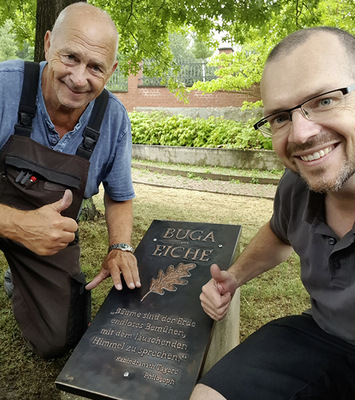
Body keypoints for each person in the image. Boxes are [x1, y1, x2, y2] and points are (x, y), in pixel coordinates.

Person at [190, 26, 355, 400]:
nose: (300, 134)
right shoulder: (298, 184)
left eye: (324, 100)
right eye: (281, 116)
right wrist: (233, 277)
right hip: (323, 338)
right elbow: (281, 233)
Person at [0, 2, 141, 359]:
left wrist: (119, 246)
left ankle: (19, 278)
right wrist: (16, 224)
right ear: (48, 44)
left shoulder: (114, 119)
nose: (80, 78)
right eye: (70, 58)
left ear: (112, 71)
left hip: (48, 240)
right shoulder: (4, 86)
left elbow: (120, 195)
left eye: (95, 66)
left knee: (60, 340)